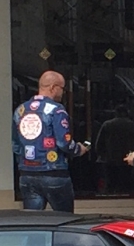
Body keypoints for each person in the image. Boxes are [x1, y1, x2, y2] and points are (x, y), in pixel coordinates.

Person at [13, 68, 87, 212]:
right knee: (63, 220)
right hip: (54, 172)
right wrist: (79, 149)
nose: (63, 92)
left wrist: (23, 164)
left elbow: (15, 144)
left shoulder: (20, 110)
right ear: (53, 88)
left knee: (33, 222)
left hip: (27, 173)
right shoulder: (57, 110)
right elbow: (63, 143)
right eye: (62, 88)